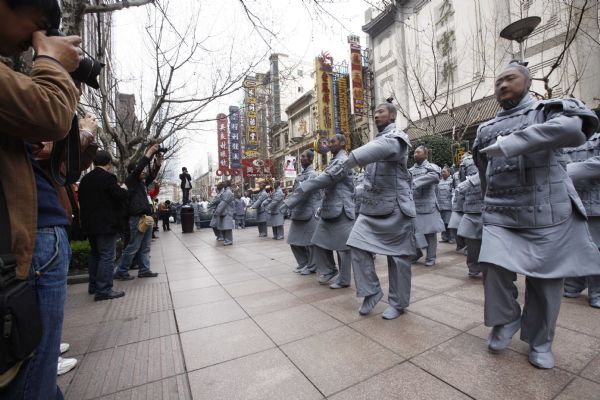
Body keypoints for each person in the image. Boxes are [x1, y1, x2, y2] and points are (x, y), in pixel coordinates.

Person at [473, 61, 599, 369]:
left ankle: (541, 342)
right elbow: (483, 172)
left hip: (548, 211)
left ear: (528, 83)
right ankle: (506, 318)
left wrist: (510, 144)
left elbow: (573, 129)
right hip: (501, 213)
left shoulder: (549, 111)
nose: (502, 85)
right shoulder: (484, 129)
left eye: (510, 79)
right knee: (491, 264)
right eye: (498, 81)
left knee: (546, 283)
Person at [0, 0, 82, 396]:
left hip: (35, 228)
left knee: (35, 369)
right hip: (30, 238)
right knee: (32, 374)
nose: (31, 43)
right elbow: (48, 114)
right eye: (38, 27)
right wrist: (51, 63)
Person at [343, 102, 417, 320]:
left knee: (398, 258)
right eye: (374, 113)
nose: (376, 116)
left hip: (396, 207)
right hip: (372, 208)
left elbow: (384, 149)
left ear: (392, 116)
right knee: (356, 244)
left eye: (380, 112)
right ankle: (371, 290)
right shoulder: (376, 141)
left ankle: (398, 302)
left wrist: (352, 158)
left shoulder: (398, 138)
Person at [290, 135, 355, 286]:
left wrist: (297, 194)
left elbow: (326, 179)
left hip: (342, 209)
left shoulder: (343, 160)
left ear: (343, 143)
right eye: (328, 142)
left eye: (333, 142)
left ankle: (344, 280)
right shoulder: (334, 161)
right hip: (329, 208)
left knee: (343, 248)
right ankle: (329, 269)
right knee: (318, 242)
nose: (329, 145)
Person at [78, 150, 128, 301]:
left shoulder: (85, 180)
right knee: (107, 256)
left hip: (90, 225)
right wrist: (123, 189)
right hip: (106, 224)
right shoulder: (108, 178)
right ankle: (104, 290)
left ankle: (93, 286)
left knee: (95, 254)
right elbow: (118, 196)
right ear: (109, 164)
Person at [561, 132, 600, 308]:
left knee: (595, 249)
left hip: (594, 204)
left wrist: (568, 171)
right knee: (572, 247)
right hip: (569, 203)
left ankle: (597, 291)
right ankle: (573, 284)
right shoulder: (563, 142)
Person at [114, 145, 162, 280]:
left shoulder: (142, 182)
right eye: (140, 171)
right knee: (133, 246)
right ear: (134, 172)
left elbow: (152, 175)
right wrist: (150, 152)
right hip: (137, 217)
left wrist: (158, 162)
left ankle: (144, 270)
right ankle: (122, 271)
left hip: (146, 217)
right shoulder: (132, 181)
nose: (143, 172)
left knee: (145, 246)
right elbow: (140, 167)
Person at [281, 150, 321, 274]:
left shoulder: (312, 174)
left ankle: (312, 266)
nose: (301, 159)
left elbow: (302, 192)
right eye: (300, 157)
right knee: (293, 240)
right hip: (299, 212)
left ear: (310, 159)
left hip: (310, 212)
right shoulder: (301, 174)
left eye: (303, 156)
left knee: (311, 242)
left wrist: (286, 204)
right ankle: (303, 263)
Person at [409, 145, 445, 266]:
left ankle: (431, 257)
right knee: (413, 233)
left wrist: (415, 183)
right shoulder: (410, 170)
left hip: (429, 205)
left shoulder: (432, 167)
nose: (415, 154)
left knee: (430, 234)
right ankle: (416, 253)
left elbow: (435, 177)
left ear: (425, 155)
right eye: (414, 152)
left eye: (418, 152)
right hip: (414, 206)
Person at [456, 167, 483, 277]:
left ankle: (489, 269)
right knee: (471, 244)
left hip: (487, 212)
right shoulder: (465, 172)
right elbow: (461, 194)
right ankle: (473, 267)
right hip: (469, 212)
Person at [437, 166, 455, 244]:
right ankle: (445, 237)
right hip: (441, 206)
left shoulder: (452, 181)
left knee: (449, 223)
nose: (442, 173)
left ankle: (452, 238)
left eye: (444, 172)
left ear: (449, 172)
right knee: (443, 223)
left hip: (449, 206)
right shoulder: (439, 182)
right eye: (442, 172)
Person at [215, 180, 235, 245]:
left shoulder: (228, 192)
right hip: (224, 211)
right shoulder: (225, 191)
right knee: (224, 226)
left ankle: (229, 240)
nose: (223, 182)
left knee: (227, 227)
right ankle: (227, 239)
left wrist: (218, 211)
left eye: (225, 182)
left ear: (228, 184)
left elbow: (223, 203)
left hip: (227, 211)